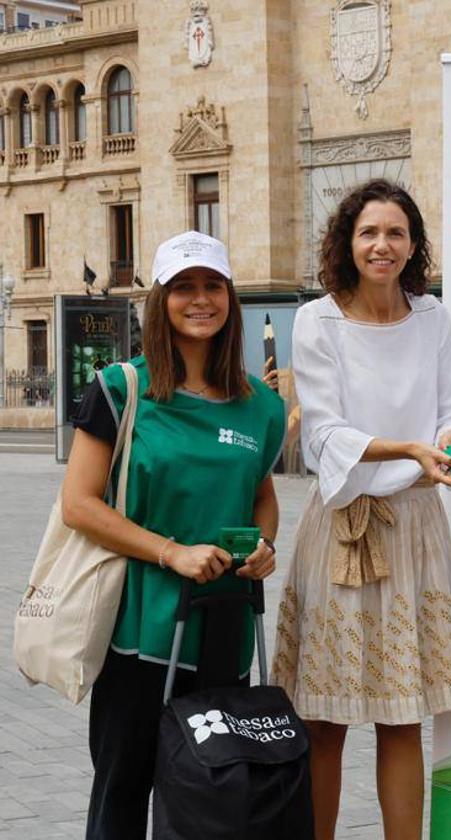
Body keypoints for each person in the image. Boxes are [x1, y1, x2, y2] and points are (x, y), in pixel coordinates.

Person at [62, 231, 285, 840]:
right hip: (139, 632)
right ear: (159, 300)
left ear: (230, 299)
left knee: (213, 799)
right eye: (183, 287)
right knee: (123, 793)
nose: (200, 299)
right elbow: (79, 505)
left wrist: (263, 547)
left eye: (213, 285)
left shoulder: (260, 406)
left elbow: (261, 495)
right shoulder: (120, 389)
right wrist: (171, 552)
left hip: (224, 633)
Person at [270, 179, 451, 840]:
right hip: (344, 528)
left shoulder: (433, 317)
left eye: (396, 234)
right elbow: (324, 435)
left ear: (413, 246)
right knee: (323, 719)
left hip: (415, 527)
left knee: (401, 714)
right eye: (369, 233)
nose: (382, 246)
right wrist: (408, 448)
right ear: (348, 243)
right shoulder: (317, 321)